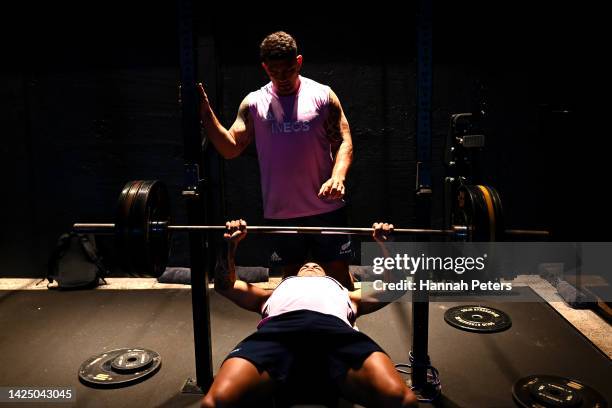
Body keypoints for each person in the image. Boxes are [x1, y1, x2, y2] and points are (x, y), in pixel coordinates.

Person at [201, 220, 418, 408]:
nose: (311, 265)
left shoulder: (348, 293)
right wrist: (230, 245)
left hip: (336, 335)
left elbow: (395, 287)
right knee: (214, 403)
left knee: (403, 401)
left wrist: (387, 245)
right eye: (305, 266)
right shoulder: (269, 294)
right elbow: (224, 285)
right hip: (277, 334)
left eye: (317, 266)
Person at [198, 31, 355, 289]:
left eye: (289, 70)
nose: (282, 78)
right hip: (282, 212)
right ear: (265, 67)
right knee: (290, 281)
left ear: (299, 62)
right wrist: (205, 113)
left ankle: (346, 325)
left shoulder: (323, 96)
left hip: (327, 208)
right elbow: (230, 149)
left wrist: (338, 177)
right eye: (274, 72)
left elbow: (344, 141)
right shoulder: (254, 103)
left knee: (339, 276)